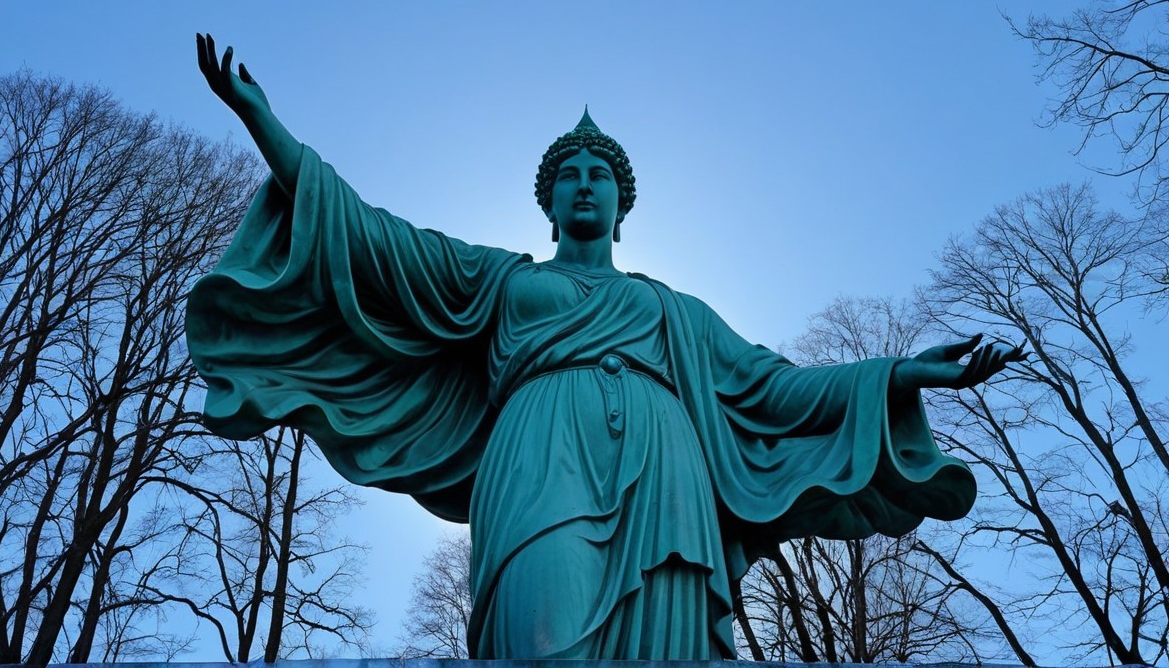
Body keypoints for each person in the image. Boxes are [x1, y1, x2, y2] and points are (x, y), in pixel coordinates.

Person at [185, 34, 1024, 660]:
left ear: (622, 207)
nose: (585, 184)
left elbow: (774, 389)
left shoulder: (671, 310)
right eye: (570, 175)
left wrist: (905, 373)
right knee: (541, 639)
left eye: (600, 177)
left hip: (667, 478)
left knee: (668, 654)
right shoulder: (504, 281)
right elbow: (374, 242)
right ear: (548, 201)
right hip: (540, 453)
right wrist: (267, 126)